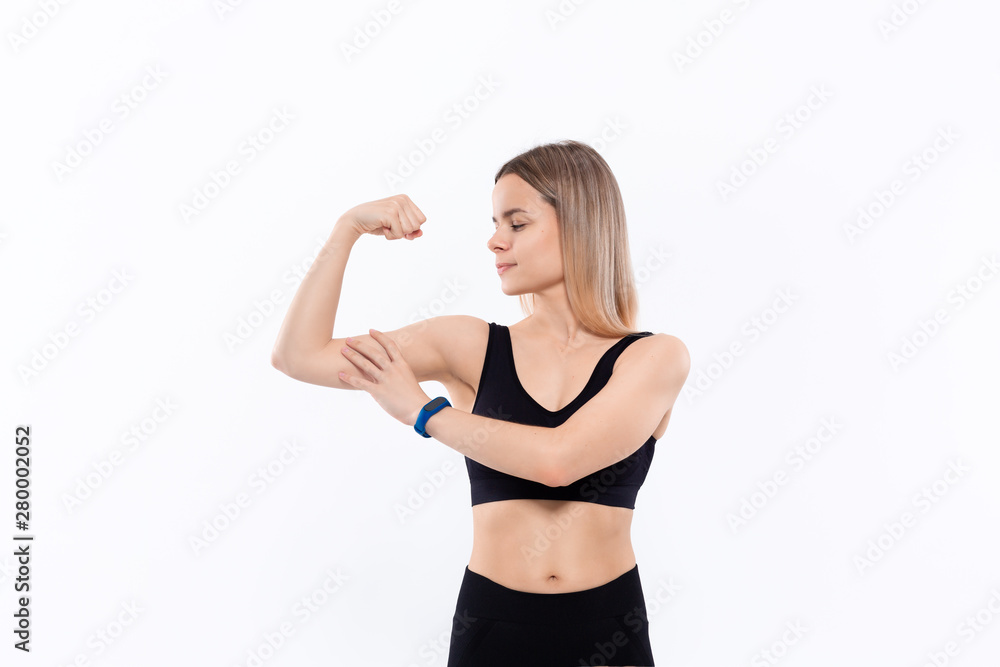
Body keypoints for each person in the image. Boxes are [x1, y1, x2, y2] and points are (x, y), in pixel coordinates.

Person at [271, 140, 690, 666]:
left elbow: (558, 461)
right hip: (493, 627)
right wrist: (346, 229)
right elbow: (299, 356)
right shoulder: (468, 346)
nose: (495, 242)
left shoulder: (654, 357)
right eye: (495, 223)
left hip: (609, 627)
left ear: (582, 224)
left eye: (517, 223)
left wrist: (425, 413)